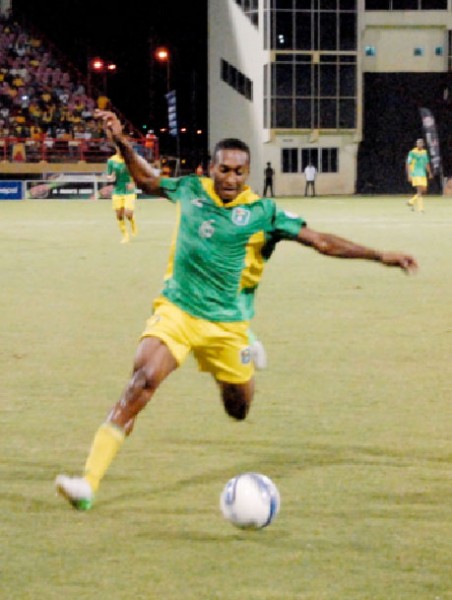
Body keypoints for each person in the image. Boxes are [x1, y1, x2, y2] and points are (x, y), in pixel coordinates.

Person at [55, 109, 418, 511]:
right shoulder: (191, 189)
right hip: (177, 311)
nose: (230, 178)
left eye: (238, 172)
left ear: (248, 173)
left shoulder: (264, 214)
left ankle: (247, 344)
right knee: (142, 380)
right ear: (211, 168)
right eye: (223, 170)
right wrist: (122, 140)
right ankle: (88, 482)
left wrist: (380, 255)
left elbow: (322, 242)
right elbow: (146, 179)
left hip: (227, 325)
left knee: (238, 409)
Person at [106, 145, 138, 243]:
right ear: (117, 148)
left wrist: (134, 182)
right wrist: (111, 178)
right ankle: (125, 235)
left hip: (129, 190)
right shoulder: (111, 161)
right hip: (117, 190)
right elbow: (109, 175)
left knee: (128, 213)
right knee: (119, 215)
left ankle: (132, 222)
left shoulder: (131, 159)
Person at [406, 138, 432, 213]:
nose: (419, 144)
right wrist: (409, 174)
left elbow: (426, 163)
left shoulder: (424, 152)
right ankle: (421, 209)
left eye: (420, 143)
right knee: (419, 192)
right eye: (418, 143)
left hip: (423, 173)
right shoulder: (412, 152)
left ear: (423, 144)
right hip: (415, 173)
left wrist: (429, 172)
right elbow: (408, 163)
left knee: (424, 190)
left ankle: (411, 201)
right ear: (416, 144)